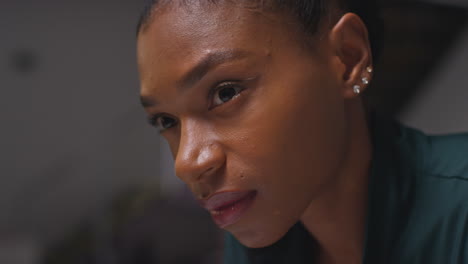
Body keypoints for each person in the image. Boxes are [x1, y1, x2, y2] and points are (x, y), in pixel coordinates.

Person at [135, 0, 468, 263]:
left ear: (347, 58)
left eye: (226, 92)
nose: (187, 163)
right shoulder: (265, 226)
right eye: (166, 121)